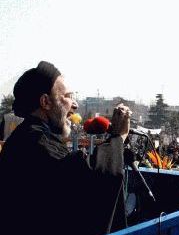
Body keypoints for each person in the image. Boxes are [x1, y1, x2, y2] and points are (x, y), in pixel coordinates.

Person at [0, 61, 131, 235]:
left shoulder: (29, 136)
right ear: (45, 101)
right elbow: (91, 182)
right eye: (67, 96)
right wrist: (118, 138)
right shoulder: (36, 143)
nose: (74, 105)